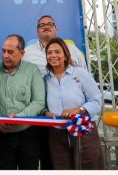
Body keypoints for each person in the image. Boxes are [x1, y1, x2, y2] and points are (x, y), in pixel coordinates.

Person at [23, 15, 87, 169]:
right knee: (50, 160)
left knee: (79, 160)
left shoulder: (73, 50)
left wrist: (80, 110)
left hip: (73, 116)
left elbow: (84, 79)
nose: (46, 26)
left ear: (56, 29)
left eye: (50, 24)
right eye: (42, 25)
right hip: (41, 115)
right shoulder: (27, 53)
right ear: (37, 31)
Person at [43, 37, 104, 169]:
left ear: (65, 55)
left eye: (57, 52)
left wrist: (78, 110)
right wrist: (46, 112)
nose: (53, 55)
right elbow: (43, 105)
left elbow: (96, 102)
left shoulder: (81, 74)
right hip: (57, 134)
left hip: (83, 130)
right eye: (49, 52)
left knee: (90, 167)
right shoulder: (46, 79)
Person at [0, 34, 45, 170]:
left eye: (10, 52)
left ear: (22, 53)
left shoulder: (32, 70)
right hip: (2, 136)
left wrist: (20, 117)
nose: (5, 55)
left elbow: (39, 101)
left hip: (28, 135)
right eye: (3, 51)